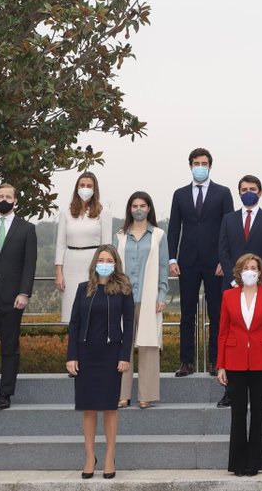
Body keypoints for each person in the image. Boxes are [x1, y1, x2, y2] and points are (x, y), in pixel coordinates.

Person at [66, 245, 134, 480]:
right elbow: (74, 324)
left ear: (115, 264)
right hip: (85, 355)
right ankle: (89, 456)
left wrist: (125, 356)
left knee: (109, 408)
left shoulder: (124, 290)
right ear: (95, 262)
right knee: (88, 408)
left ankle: (109, 457)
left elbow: (129, 324)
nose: (104, 262)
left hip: (111, 355)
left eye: (109, 259)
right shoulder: (83, 289)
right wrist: (71, 355)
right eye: (101, 259)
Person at [167, 147, 234, 377]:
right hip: (187, 262)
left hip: (215, 263)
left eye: (204, 163)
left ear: (210, 166)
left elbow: (229, 229)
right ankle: (186, 362)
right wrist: (172, 258)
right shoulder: (180, 194)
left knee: (217, 315)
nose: (200, 167)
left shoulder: (223, 193)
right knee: (187, 314)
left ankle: (217, 361)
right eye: (196, 163)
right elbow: (174, 228)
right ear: (190, 165)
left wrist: (225, 261)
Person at [217, 174, 262, 408]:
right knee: (232, 336)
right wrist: (237, 280)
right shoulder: (228, 219)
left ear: (260, 192)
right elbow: (222, 251)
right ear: (239, 192)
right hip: (234, 286)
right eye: (243, 189)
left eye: (252, 189)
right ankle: (230, 392)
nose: (248, 192)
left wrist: (258, 280)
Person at [217, 253, 262, 477]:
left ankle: (254, 463)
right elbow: (222, 332)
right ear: (239, 271)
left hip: (261, 362)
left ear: (260, 272)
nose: (250, 271)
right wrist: (221, 366)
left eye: (253, 267)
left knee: (258, 414)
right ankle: (237, 463)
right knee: (237, 413)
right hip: (234, 362)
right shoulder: (227, 296)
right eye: (246, 267)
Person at [0, 184, 37, 411]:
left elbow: (29, 264)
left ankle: (5, 393)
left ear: (15, 200)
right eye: (0, 196)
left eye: (8, 196)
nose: (4, 199)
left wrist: (24, 293)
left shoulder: (27, 229)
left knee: (10, 347)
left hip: (13, 298)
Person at [115, 191, 168, 409]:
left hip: (149, 298)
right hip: (123, 297)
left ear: (149, 209)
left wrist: (162, 294)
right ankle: (122, 394)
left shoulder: (158, 235)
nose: (138, 209)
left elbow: (163, 267)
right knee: (121, 345)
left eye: (143, 205)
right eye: (134, 205)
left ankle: (146, 394)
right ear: (129, 209)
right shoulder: (119, 236)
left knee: (148, 345)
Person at [55, 171, 113, 324]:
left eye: (89, 186)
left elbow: (107, 247)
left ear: (95, 189)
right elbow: (60, 245)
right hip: (70, 265)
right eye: (82, 185)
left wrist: (104, 273)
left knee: (93, 310)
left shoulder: (104, 212)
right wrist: (59, 272)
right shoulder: (66, 213)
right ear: (76, 187)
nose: (85, 188)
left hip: (93, 265)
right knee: (72, 314)